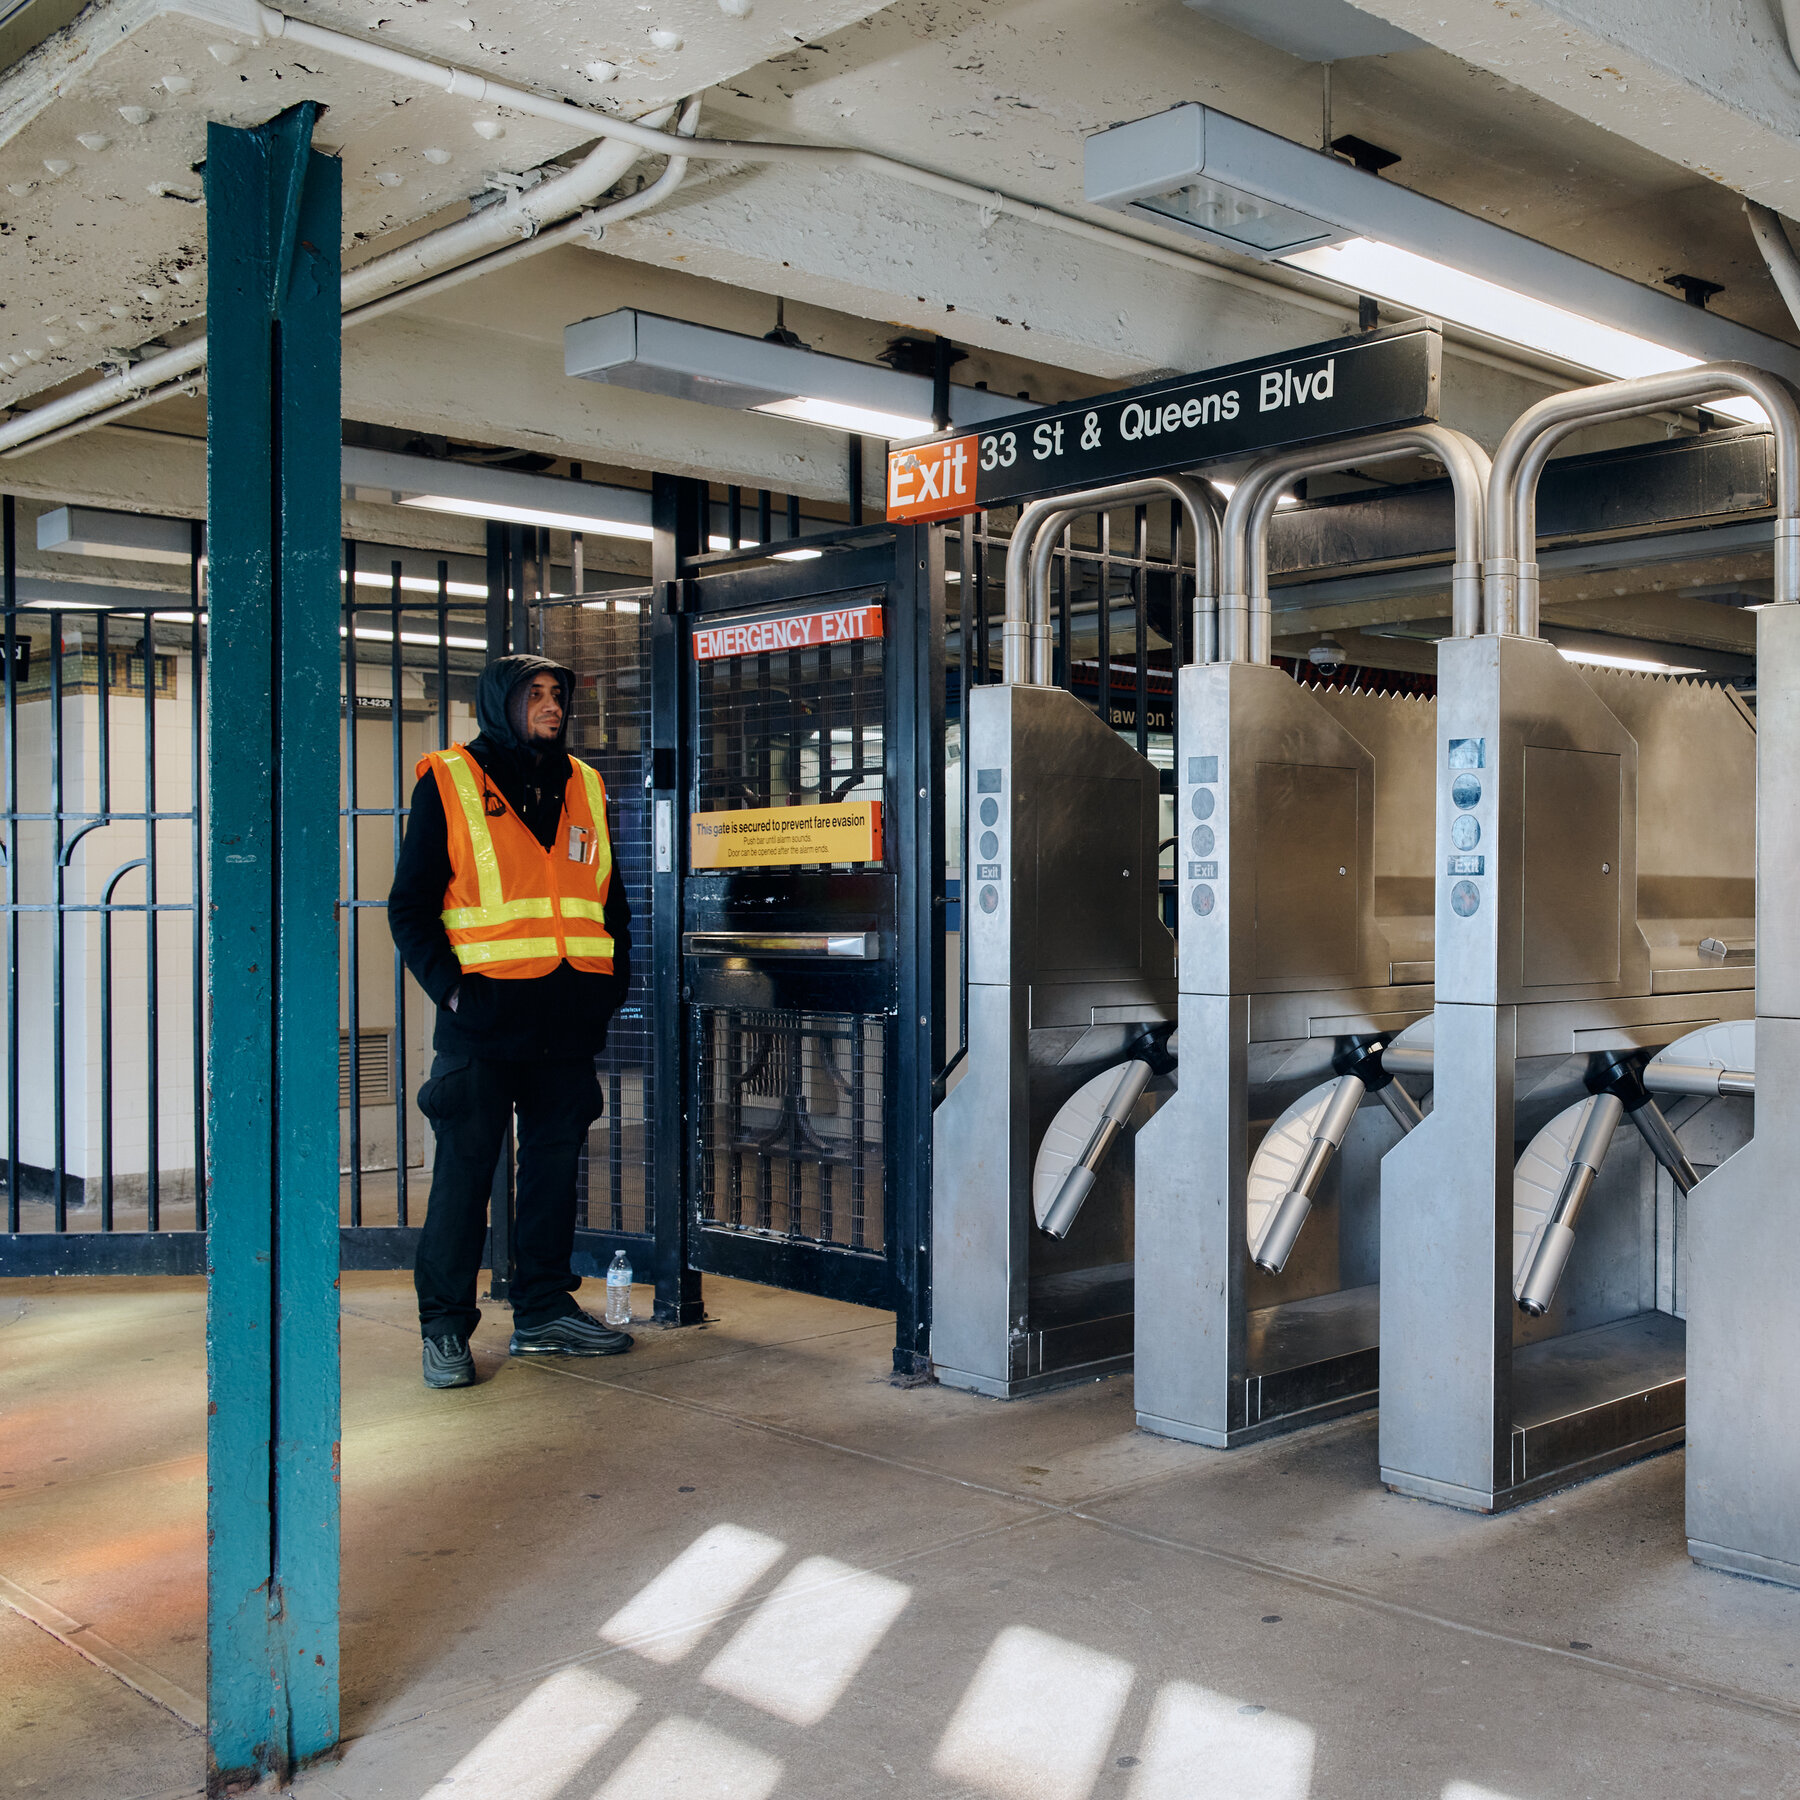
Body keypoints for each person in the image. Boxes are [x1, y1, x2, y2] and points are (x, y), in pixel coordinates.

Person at [388, 653, 634, 1389]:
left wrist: (607, 991)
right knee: (464, 1178)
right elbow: (410, 908)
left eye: (558, 694)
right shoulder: (451, 780)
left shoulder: (585, 783)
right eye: (537, 694)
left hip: (566, 1019)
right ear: (502, 701)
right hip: (484, 1023)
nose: (552, 706)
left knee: (555, 1170)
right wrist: (456, 996)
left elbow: (608, 904)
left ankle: (544, 1310)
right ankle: (444, 1329)